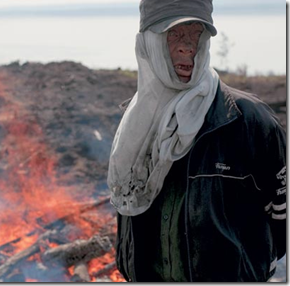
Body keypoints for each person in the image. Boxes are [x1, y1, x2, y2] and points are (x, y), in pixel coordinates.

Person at [107, 0, 286, 282]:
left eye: (196, 33)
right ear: (148, 43)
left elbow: (281, 220)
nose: (188, 46)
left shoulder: (248, 121)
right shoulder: (134, 124)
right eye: (174, 34)